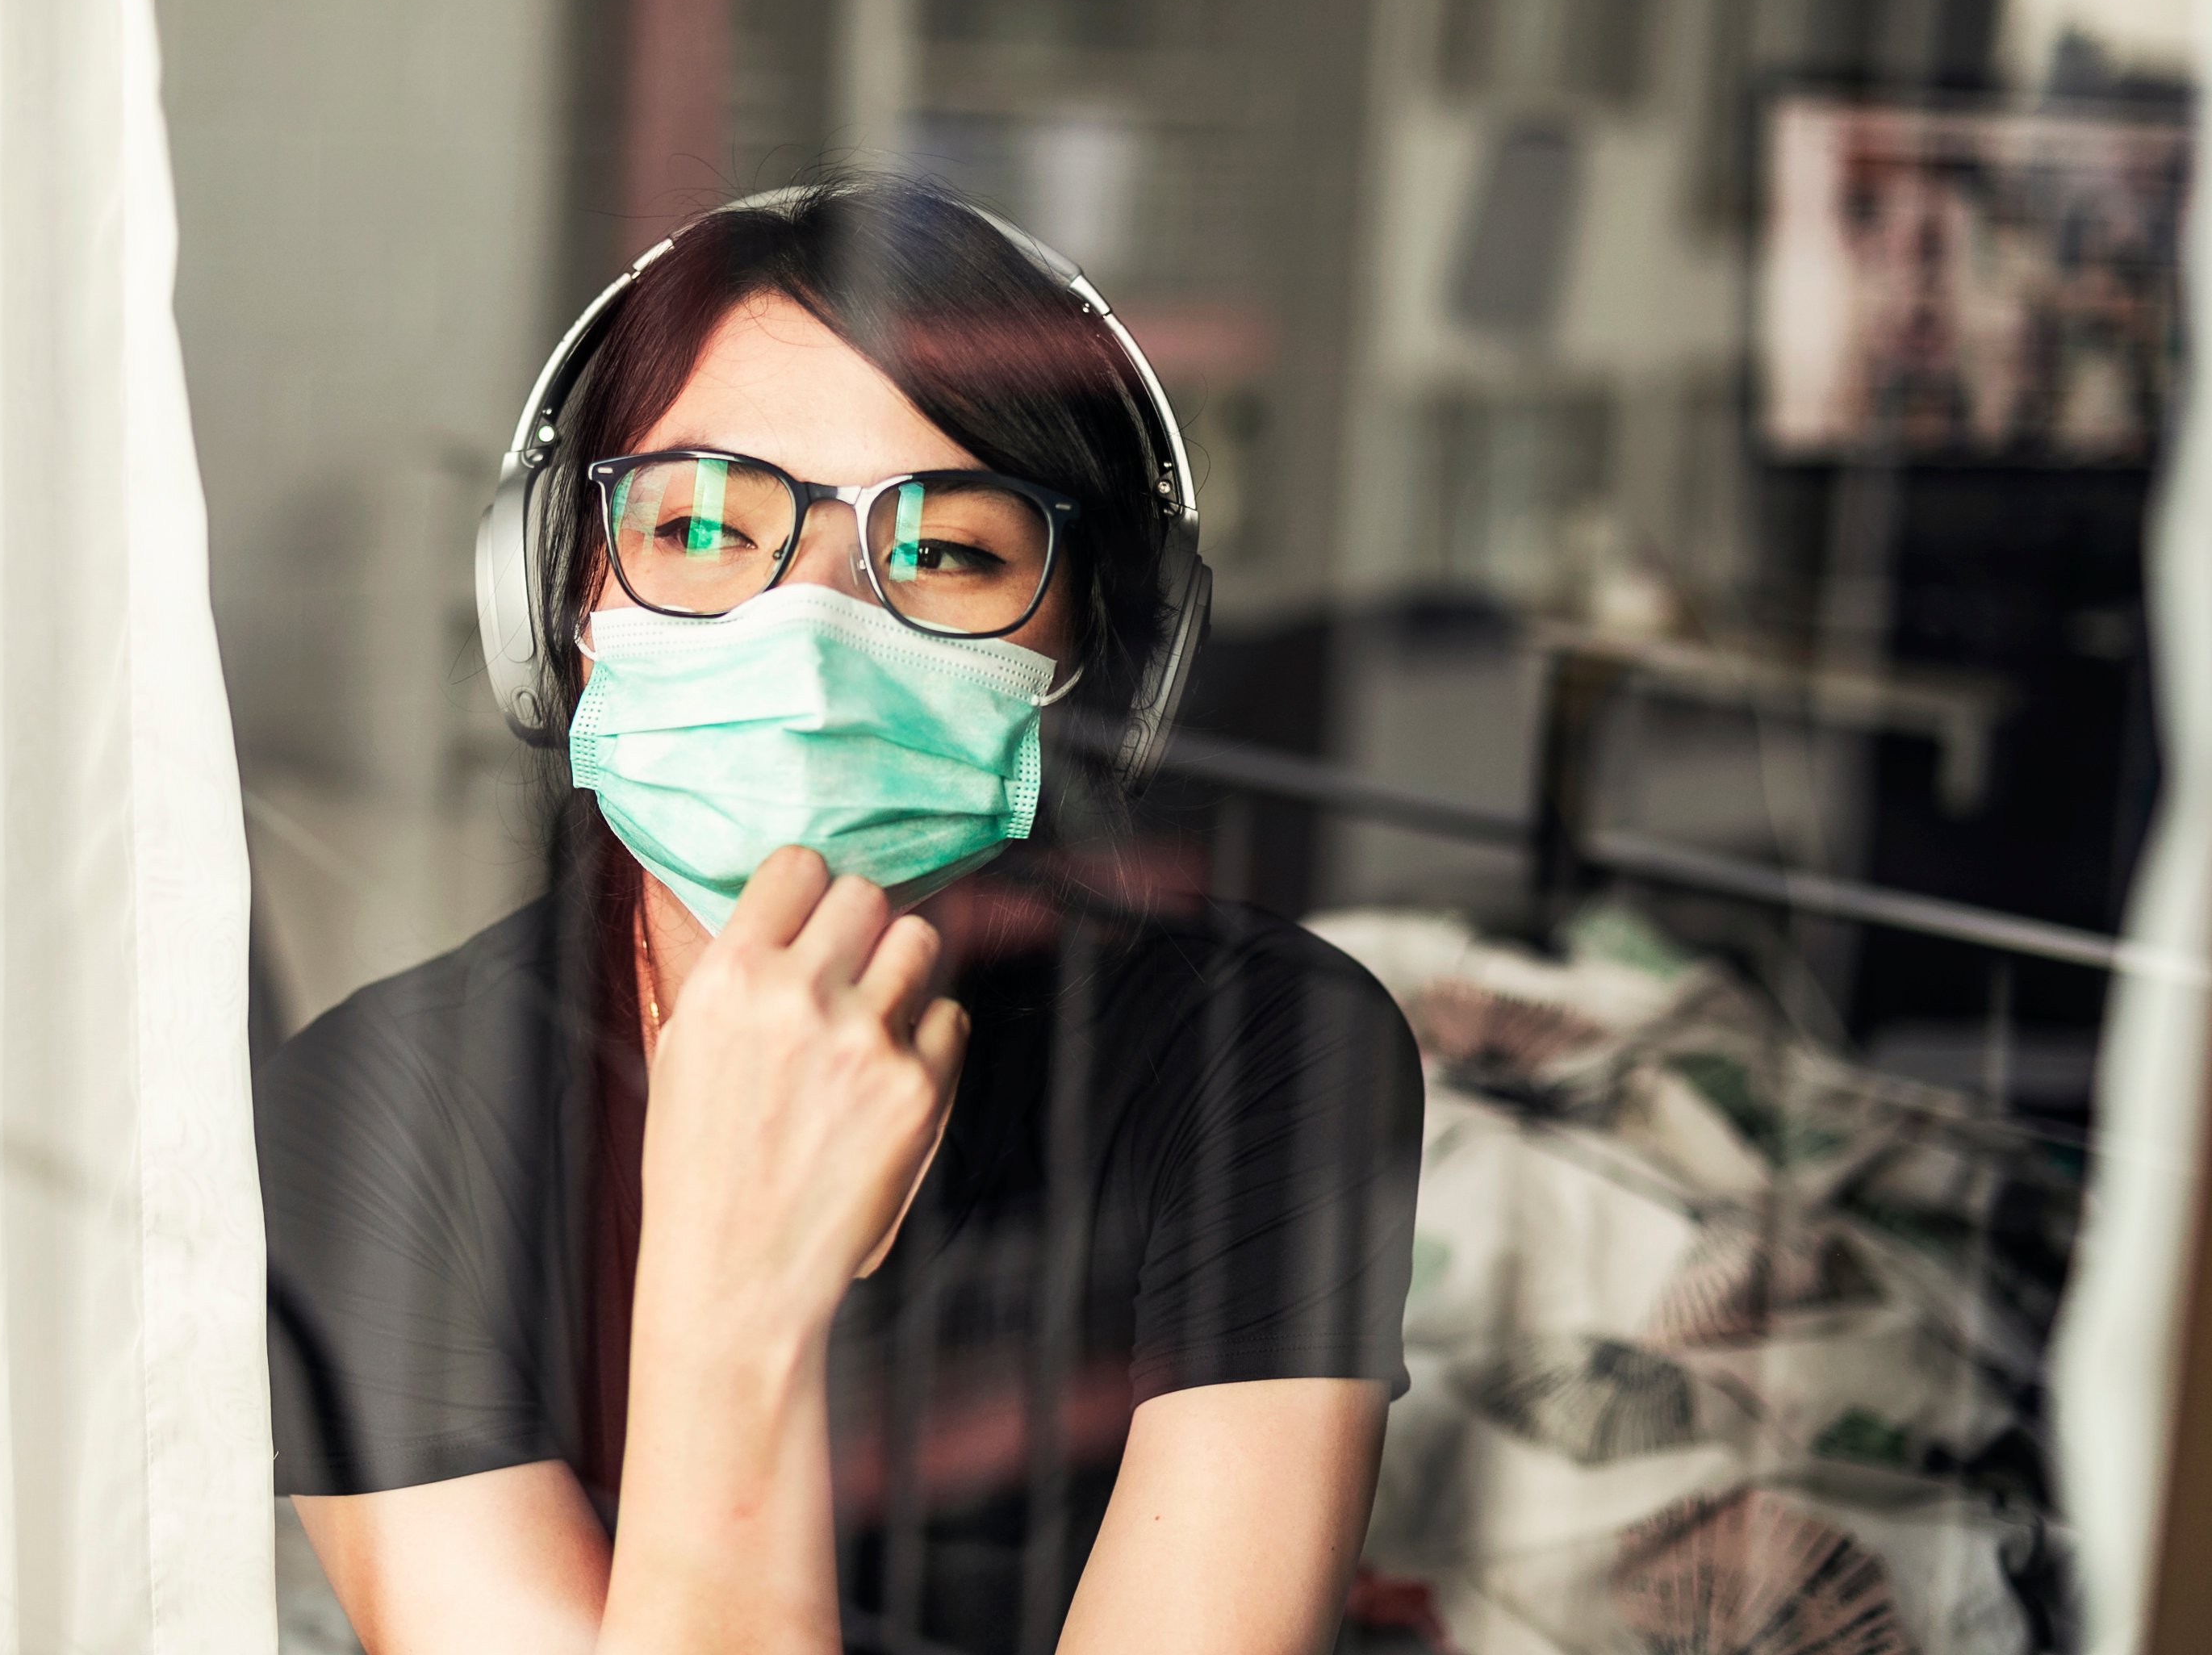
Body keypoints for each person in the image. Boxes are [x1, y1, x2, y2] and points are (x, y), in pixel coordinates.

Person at [253, 178, 1424, 1655]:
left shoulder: (1265, 1053)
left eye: (942, 554)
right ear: (554, 602)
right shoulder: (367, 1113)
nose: (808, 631)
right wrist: (732, 1291)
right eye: (699, 527)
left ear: (1106, 664)